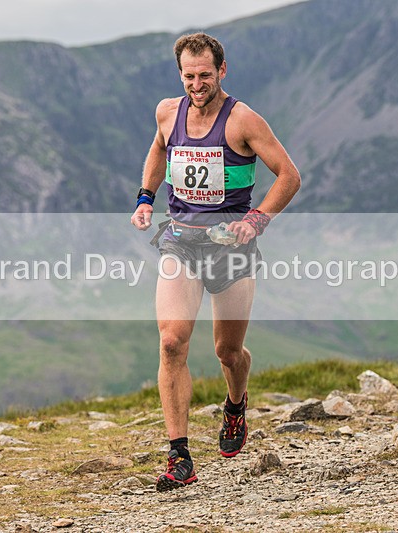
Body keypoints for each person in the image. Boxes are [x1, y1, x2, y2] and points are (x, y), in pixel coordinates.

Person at [130, 32, 300, 492]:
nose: (197, 84)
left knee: (227, 351)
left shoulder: (243, 120)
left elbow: (289, 176)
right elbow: (160, 148)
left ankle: (236, 403)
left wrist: (257, 220)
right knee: (171, 342)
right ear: (180, 74)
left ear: (222, 71)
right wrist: (147, 197)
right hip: (180, 242)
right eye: (189, 75)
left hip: (231, 248)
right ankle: (179, 455)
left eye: (206, 75)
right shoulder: (168, 111)